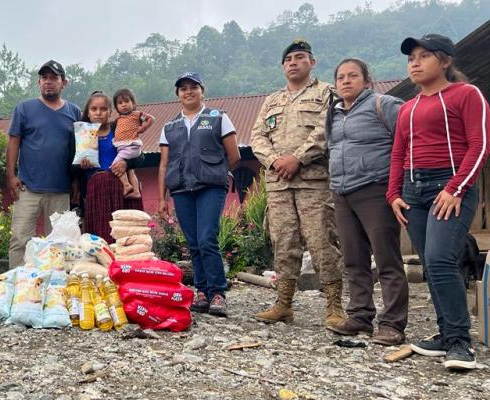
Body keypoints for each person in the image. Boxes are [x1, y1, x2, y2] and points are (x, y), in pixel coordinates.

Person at [388, 34, 489, 371]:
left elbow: (480, 145)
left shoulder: (466, 94)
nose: (414, 63)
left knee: (440, 258)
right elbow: (398, 154)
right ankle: (446, 334)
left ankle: (461, 342)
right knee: (430, 264)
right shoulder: (408, 108)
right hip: (413, 190)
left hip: (449, 185)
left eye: (424, 56)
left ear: (445, 61)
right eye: (411, 58)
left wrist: (456, 187)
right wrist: (393, 194)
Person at [250, 40, 346, 329]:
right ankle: (284, 304)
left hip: (313, 182)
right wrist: (277, 160)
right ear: (283, 66)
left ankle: (334, 306)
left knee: (322, 242)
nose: (293, 62)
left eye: (300, 57)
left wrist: (298, 158)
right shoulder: (272, 100)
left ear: (312, 62)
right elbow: (257, 137)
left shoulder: (327, 93)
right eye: (288, 59)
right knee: (284, 243)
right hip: (279, 184)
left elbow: (326, 131)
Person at [325, 58, 408, 345]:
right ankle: (360, 317)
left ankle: (393, 324)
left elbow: (408, 140)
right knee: (354, 259)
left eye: (353, 76)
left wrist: (399, 187)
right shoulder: (333, 113)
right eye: (341, 77)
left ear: (366, 80)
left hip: (376, 189)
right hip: (342, 193)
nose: (346, 81)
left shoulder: (383, 105)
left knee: (386, 259)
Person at [157, 72, 240, 317]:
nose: (188, 91)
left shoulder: (218, 117)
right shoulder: (169, 126)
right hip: (181, 189)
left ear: (202, 90)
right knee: (193, 243)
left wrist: (216, 173)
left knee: (207, 239)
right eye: (183, 88)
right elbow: (163, 164)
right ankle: (201, 292)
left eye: (193, 87)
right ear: (177, 94)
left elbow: (234, 156)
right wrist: (162, 198)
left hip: (210, 188)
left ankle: (217, 293)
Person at [6, 60, 81, 268]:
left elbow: (79, 149)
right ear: (39, 82)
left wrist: (76, 182)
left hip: (61, 189)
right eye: (44, 78)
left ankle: (54, 289)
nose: (48, 82)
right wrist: (11, 176)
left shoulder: (74, 112)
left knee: (59, 243)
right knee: (20, 239)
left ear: (63, 82)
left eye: (54, 78)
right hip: (28, 187)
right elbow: (13, 143)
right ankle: (18, 286)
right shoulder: (24, 108)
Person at [77, 91, 145, 243]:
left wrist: (125, 163)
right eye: (94, 109)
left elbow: (139, 156)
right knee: (101, 238)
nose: (98, 113)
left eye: (103, 109)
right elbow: (71, 168)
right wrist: (81, 166)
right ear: (87, 113)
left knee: (127, 237)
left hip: (122, 189)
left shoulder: (119, 128)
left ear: (110, 112)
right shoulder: (82, 134)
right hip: (95, 191)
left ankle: (127, 267)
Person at [111, 88, 154, 199]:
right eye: (120, 103)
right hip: (123, 147)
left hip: (131, 146)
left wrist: (143, 127)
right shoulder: (118, 120)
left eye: (126, 101)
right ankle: (136, 191)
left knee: (115, 166)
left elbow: (151, 119)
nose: (124, 105)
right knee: (130, 171)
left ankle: (126, 185)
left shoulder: (137, 114)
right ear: (116, 108)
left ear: (133, 103)